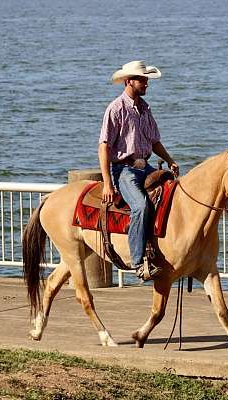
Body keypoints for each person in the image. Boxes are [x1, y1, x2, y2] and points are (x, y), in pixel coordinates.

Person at [98, 60, 179, 281]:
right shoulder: (116, 109)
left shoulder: (145, 109)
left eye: (146, 79)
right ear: (129, 81)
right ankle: (137, 262)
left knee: (173, 192)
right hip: (124, 170)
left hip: (146, 165)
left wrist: (169, 160)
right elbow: (104, 146)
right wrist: (107, 183)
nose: (146, 84)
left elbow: (154, 142)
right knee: (141, 206)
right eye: (142, 80)